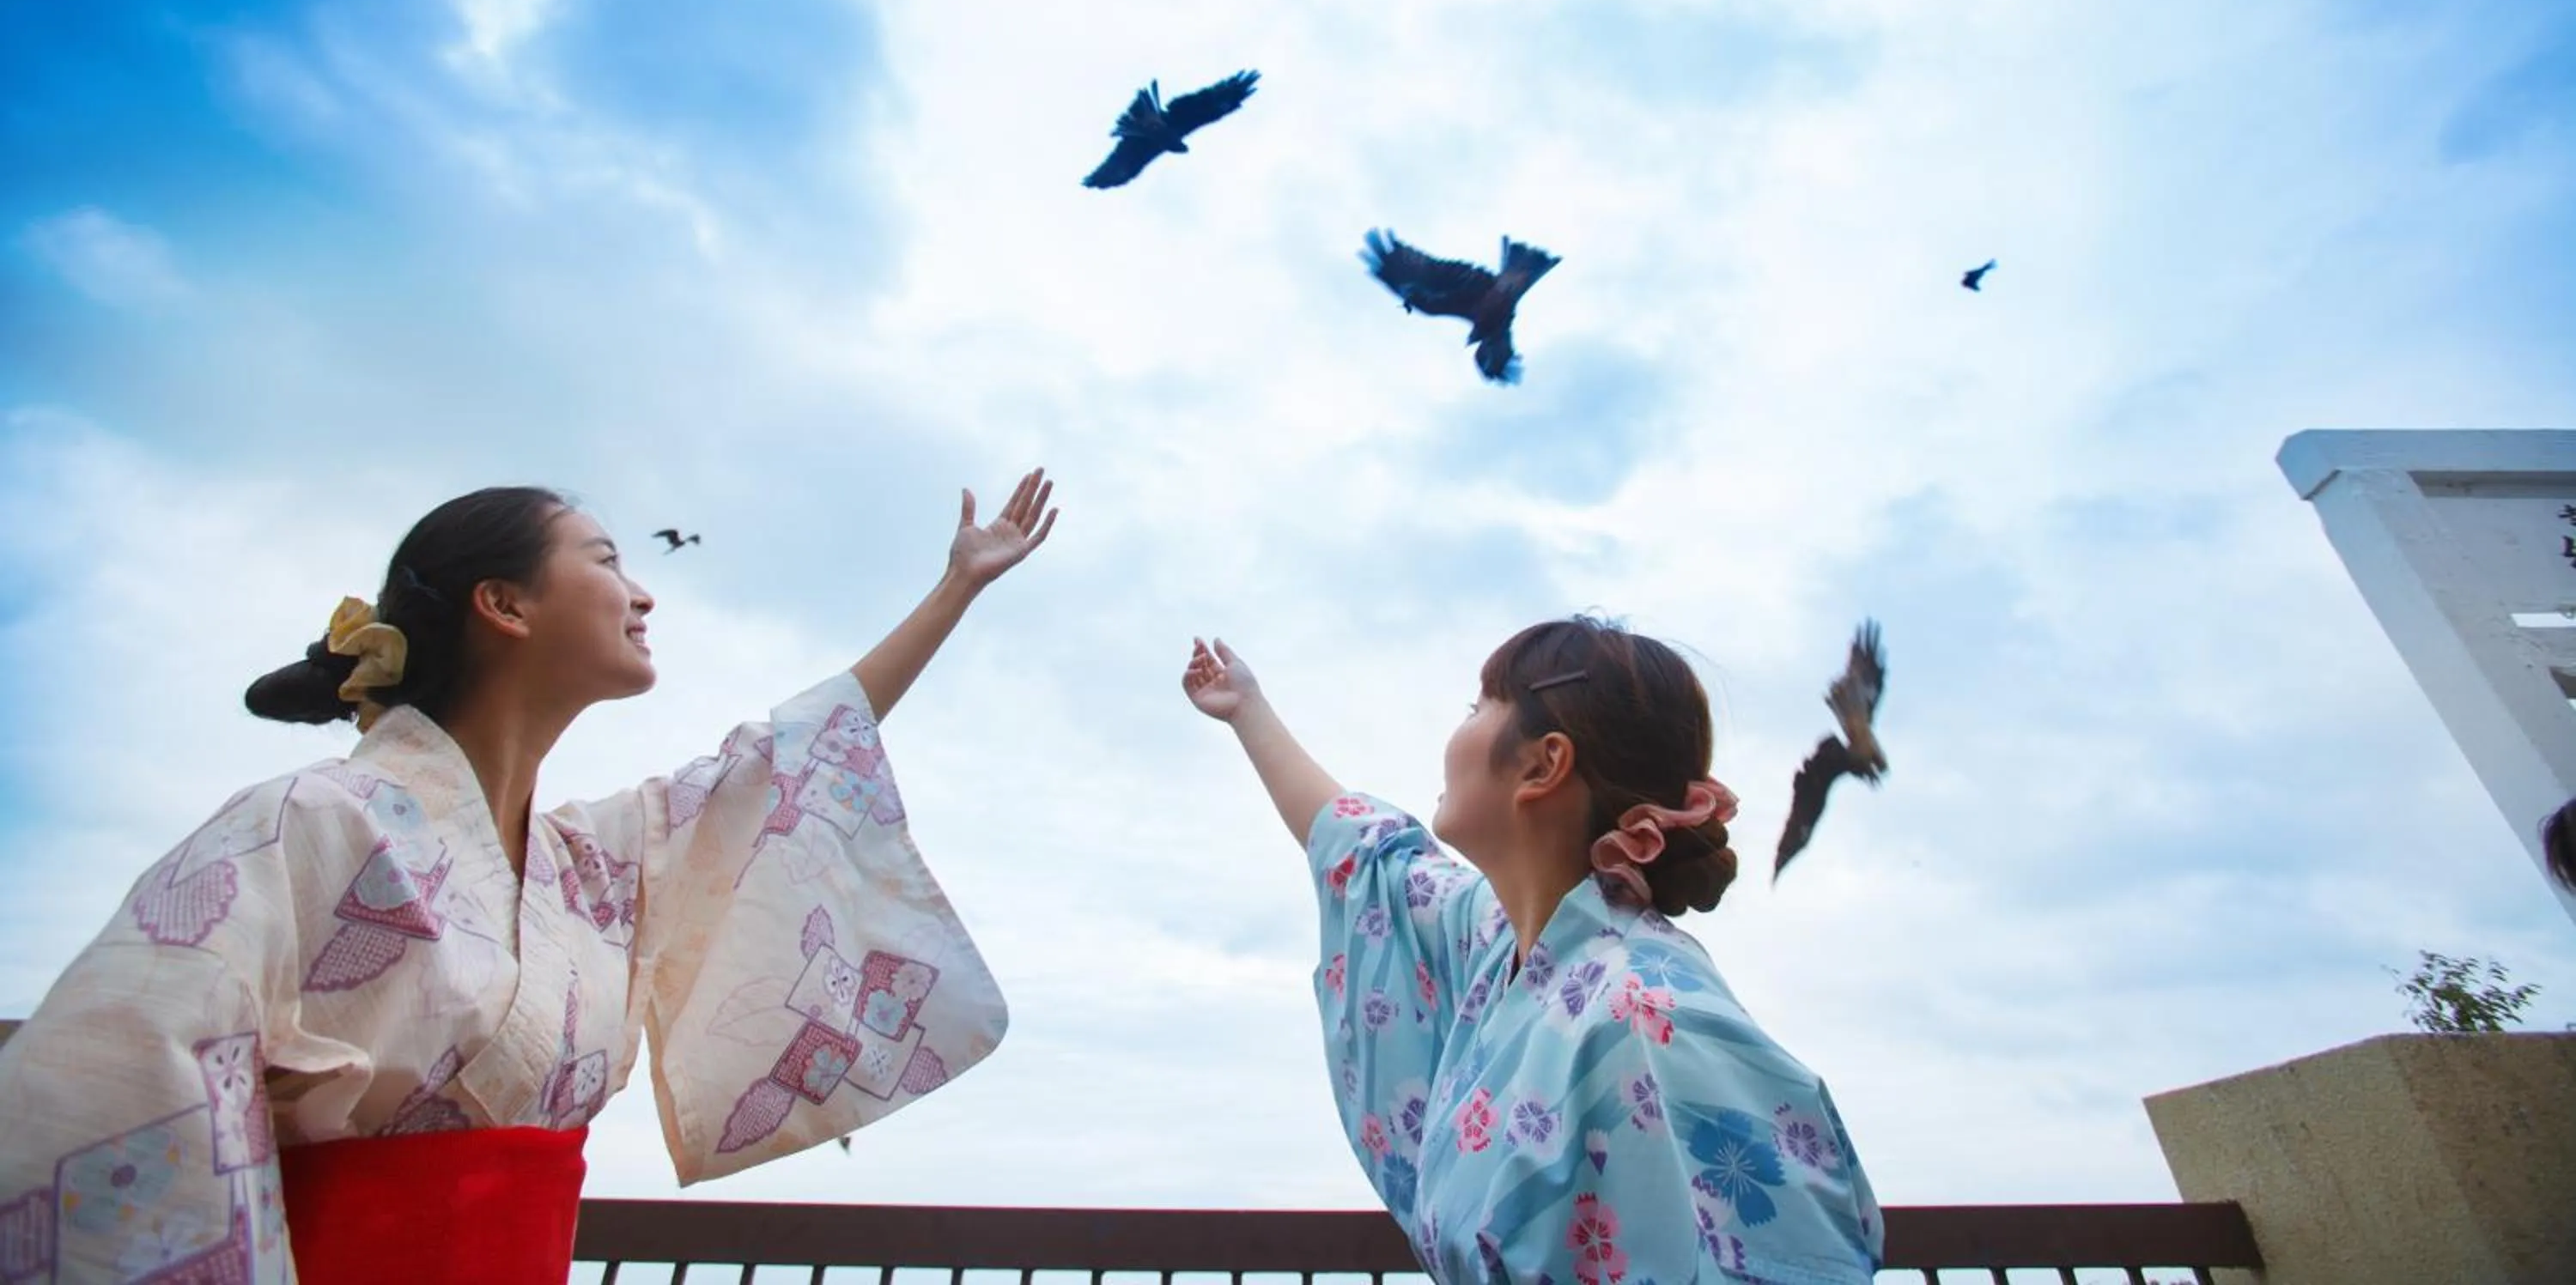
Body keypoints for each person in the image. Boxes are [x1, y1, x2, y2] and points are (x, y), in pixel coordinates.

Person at [0, 469, 1059, 1284]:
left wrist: (956, 586)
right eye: (604, 559)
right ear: (503, 602)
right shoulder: (308, 822)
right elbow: (114, 1061)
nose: (641, 589)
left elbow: (773, 764)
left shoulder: (587, 867)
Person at [1182, 616, 1880, 1284]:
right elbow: (1370, 856)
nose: (1456, 731)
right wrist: (1249, 710)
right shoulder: (1501, 948)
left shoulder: (1653, 1014)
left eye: (1478, 704)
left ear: (1544, 764)